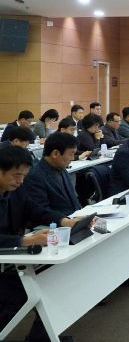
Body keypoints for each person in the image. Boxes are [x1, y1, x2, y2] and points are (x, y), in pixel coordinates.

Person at [0, 146, 67, 342]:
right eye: (16, 175)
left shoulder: (16, 190)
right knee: (27, 290)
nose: (21, 181)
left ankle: (41, 338)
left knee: (54, 279)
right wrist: (25, 240)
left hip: (9, 259)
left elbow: (36, 210)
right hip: (6, 260)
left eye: (24, 176)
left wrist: (64, 221)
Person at [21, 132, 86, 228]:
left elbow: (73, 200)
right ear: (55, 153)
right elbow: (39, 212)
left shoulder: (61, 168)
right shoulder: (34, 176)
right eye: (71, 154)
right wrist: (65, 221)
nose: (73, 158)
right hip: (55, 227)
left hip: (73, 220)